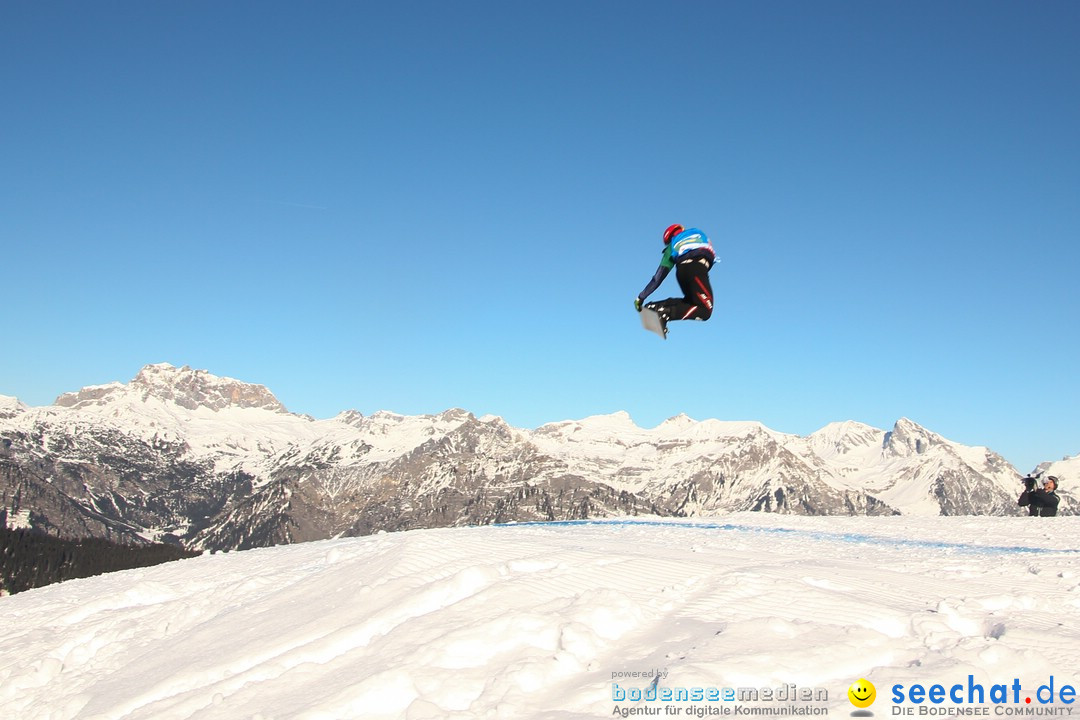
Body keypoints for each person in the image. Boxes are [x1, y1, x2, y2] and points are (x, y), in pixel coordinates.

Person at [634, 224, 716, 335]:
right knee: (705, 311)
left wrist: (641, 297)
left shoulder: (672, 245)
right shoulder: (698, 232)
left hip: (682, 271)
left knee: (691, 303)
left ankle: (655, 307)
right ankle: (664, 312)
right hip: (698, 269)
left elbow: (658, 277)